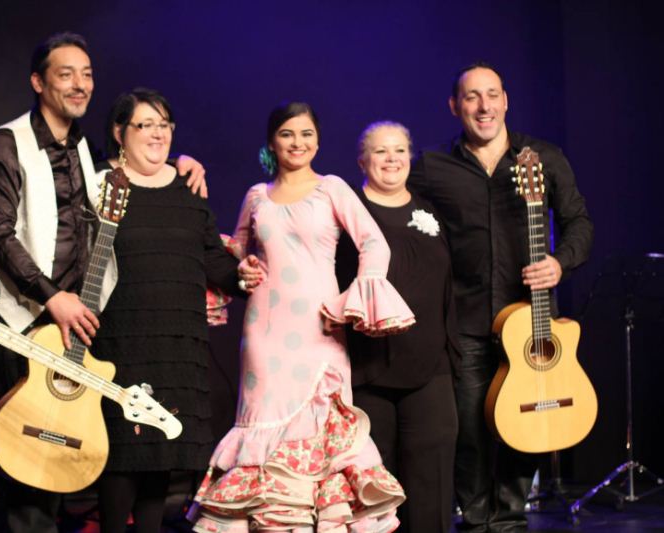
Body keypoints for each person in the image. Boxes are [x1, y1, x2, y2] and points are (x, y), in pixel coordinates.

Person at [0, 33, 209, 533]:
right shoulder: (7, 140)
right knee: (31, 463)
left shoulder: (85, 147)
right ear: (39, 82)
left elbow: (135, 167)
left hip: (76, 324)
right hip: (28, 317)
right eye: (66, 74)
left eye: (87, 74)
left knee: (63, 463)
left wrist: (182, 162)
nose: (80, 84)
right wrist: (50, 295)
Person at [190, 102, 413, 532]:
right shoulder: (256, 195)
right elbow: (236, 249)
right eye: (288, 134)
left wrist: (354, 299)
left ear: (319, 140)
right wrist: (241, 267)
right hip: (264, 332)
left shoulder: (332, 188)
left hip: (320, 328)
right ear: (272, 142)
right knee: (262, 428)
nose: (298, 142)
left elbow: (375, 244)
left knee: (323, 430)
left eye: (307, 133)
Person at [409, 62, 593, 532]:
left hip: (533, 322)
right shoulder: (432, 167)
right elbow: (387, 205)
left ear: (506, 100)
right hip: (466, 321)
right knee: (470, 431)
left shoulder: (544, 158)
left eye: (492, 95)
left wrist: (560, 262)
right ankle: (475, 521)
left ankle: (509, 519)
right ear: (455, 106)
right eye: (472, 97)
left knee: (527, 427)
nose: (484, 106)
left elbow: (579, 223)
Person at [88, 88, 246, 533]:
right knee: (123, 452)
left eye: (164, 125)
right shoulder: (99, 183)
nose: (157, 134)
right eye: (145, 125)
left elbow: (212, 256)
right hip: (121, 337)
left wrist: (242, 276)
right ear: (120, 133)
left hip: (177, 339)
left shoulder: (187, 187)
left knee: (162, 448)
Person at [338, 121, 460, 532]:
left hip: (431, 369)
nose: (391, 159)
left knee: (432, 483)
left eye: (400, 150)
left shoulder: (431, 212)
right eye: (380, 151)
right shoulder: (348, 214)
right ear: (362, 160)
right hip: (367, 373)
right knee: (375, 492)